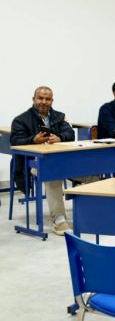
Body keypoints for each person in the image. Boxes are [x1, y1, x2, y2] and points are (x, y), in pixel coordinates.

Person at [11, 86, 77, 235]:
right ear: (33, 99)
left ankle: (93, 213)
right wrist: (33, 140)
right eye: (40, 98)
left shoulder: (59, 116)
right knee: (52, 172)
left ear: (52, 101)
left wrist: (60, 137)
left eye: (47, 99)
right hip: (33, 161)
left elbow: (70, 133)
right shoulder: (21, 119)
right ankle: (59, 221)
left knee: (91, 173)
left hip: (61, 158)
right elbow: (15, 141)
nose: (44, 102)